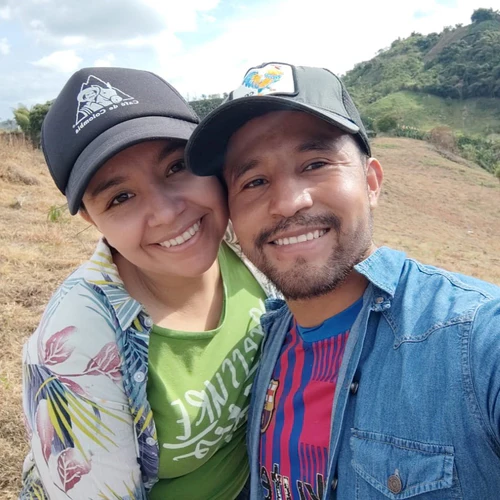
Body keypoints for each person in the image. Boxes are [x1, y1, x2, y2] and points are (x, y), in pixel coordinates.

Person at [185, 62, 500, 499]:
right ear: (232, 219)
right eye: (254, 181)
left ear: (371, 183)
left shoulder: (475, 339)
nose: (288, 202)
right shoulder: (256, 348)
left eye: (315, 163)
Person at [21, 67, 276, 500]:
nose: (167, 212)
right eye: (121, 197)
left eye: (177, 166)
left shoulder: (248, 241)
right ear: (92, 218)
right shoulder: (77, 347)